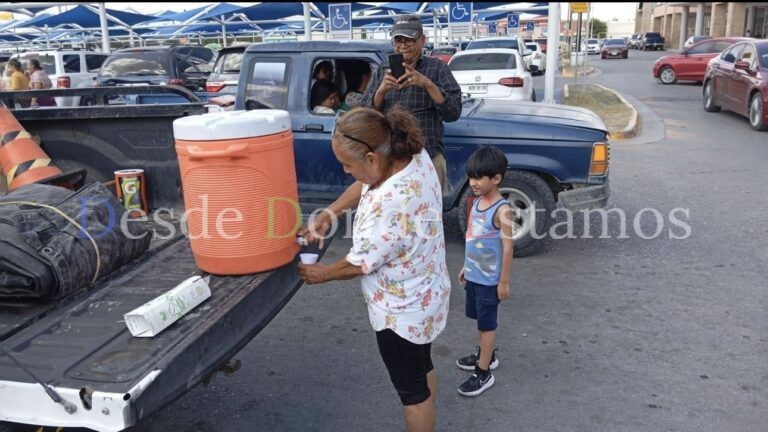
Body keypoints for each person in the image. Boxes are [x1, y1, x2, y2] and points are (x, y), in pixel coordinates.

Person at [297, 106, 450, 432]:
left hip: (401, 314)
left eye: (347, 164)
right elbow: (366, 184)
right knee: (422, 370)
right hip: (427, 295)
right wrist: (330, 213)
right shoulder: (411, 155)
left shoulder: (390, 204)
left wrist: (322, 273)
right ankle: (428, 416)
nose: (345, 171)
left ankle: (424, 419)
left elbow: (359, 263)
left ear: (371, 158)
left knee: (413, 396)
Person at [361, 14, 462, 192]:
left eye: (408, 40)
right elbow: (365, 114)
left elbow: (453, 112)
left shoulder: (438, 68)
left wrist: (427, 84)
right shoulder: (383, 70)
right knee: (395, 210)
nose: (402, 46)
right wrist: (381, 91)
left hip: (427, 155)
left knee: (428, 211)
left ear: (422, 40)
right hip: (390, 156)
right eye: (398, 41)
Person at [456, 146, 513, 397]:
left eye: (479, 178)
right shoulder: (476, 203)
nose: (473, 183)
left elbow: (508, 249)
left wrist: (504, 282)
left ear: (496, 179)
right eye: (471, 177)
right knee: (480, 322)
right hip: (474, 276)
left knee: (487, 326)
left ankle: (483, 373)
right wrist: (466, 267)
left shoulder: (502, 210)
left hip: (490, 281)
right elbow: (473, 238)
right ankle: (487, 355)